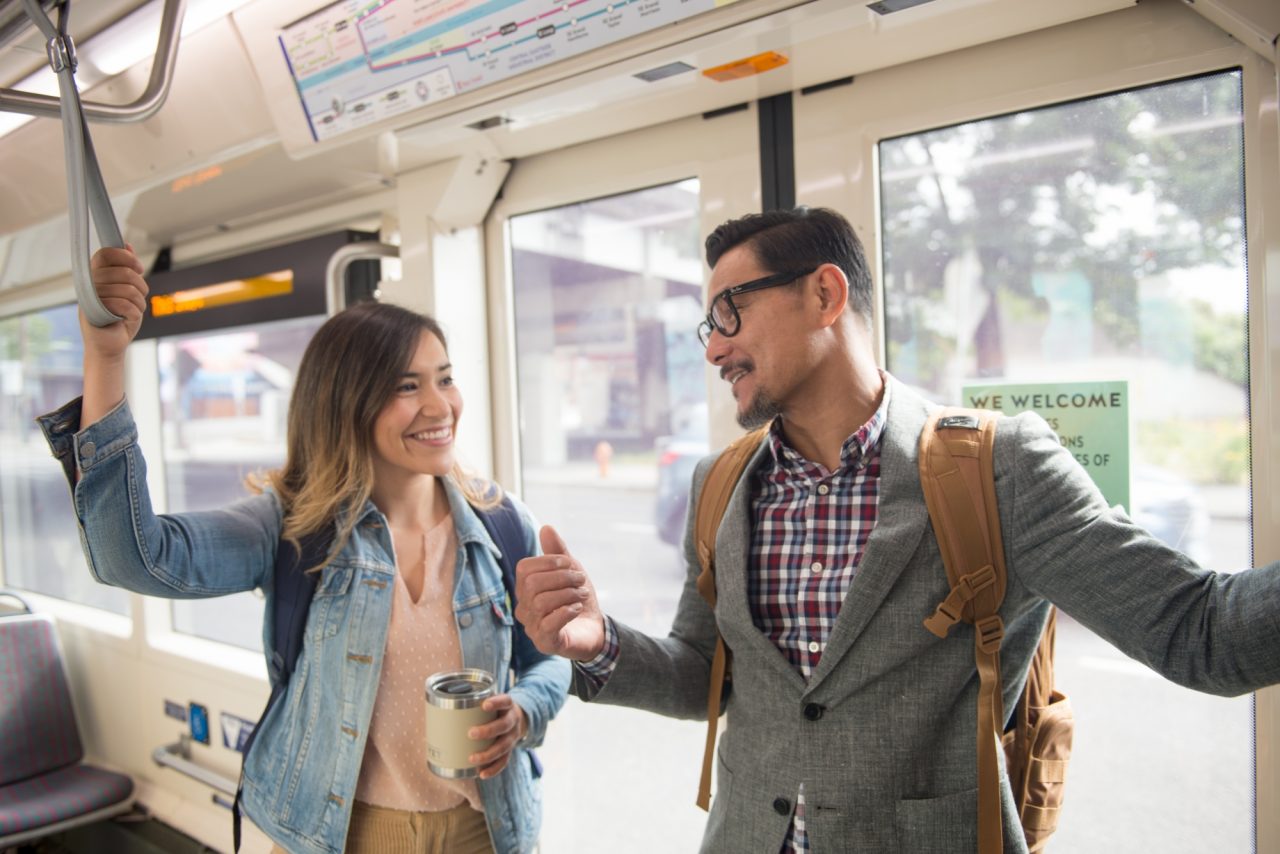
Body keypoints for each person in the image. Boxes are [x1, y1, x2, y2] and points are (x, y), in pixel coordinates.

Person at [513, 206, 1280, 853]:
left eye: (729, 312)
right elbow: (700, 674)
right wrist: (596, 640)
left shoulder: (997, 467)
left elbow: (1201, 630)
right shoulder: (720, 484)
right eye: (706, 324)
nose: (713, 346)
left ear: (824, 293)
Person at [38, 247, 569, 854]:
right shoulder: (295, 526)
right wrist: (105, 358)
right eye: (406, 386)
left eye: (444, 378)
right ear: (347, 403)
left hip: (488, 830)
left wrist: (524, 710)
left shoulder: (502, 524)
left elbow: (546, 658)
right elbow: (133, 558)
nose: (439, 405)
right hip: (340, 833)